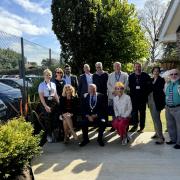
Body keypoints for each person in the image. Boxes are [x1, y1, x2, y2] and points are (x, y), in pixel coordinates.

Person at [128, 63, 151, 133]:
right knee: (134, 113)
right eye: (136, 67)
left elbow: (149, 87)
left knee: (142, 113)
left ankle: (141, 127)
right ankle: (135, 126)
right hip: (134, 98)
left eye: (139, 67)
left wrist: (145, 94)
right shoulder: (131, 76)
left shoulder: (146, 75)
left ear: (141, 67)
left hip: (142, 98)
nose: (138, 68)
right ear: (134, 67)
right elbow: (129, 86)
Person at [38, 69, 59, 143]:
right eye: (46, 75)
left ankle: (54, 134)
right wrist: (45, 106)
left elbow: (55, 94)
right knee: (47, 120)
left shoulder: (53, 84)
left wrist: (59, 102)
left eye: (49, 75)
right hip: (45, 102)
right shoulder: (41, 85)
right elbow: (41, 97)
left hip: (53, 102)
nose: (48, 76)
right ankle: (49, 135)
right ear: (44, 76)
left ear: (51, 76)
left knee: (54, 119)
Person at [148, 67, 165, 144]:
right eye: (154, 71)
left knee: (157, 119)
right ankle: (156, 133)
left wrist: (151, 87)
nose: (156, 72)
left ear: (159, 72)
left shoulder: (161, 80)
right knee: (153, 118)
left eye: (157, 71)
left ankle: (161, 137)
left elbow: (158, 89)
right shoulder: (151, 80)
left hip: (157, 102)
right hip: (150, 100)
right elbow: (148, 89)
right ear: (152, 72)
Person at [165, 69, 180, 149]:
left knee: (179, 126)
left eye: (176, 74)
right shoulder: (168, 84)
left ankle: (179, 142)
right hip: (168, 108)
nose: (174, 76)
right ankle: (173, 139)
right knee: (170, 125)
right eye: (171, 74)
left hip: (178, 108)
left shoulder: (179, 84)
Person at [53, 67, 66, 141]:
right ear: (55, 73)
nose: (59, 74)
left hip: (63, 100)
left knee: (63, 117)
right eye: (58, 72)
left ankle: (64, 133)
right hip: (56, 101)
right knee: (58, 118)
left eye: (60, 72)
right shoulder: (53, 81)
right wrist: (58, 98)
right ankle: (59, 135)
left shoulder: (64, 81)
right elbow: (54, 92)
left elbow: (65, 89)